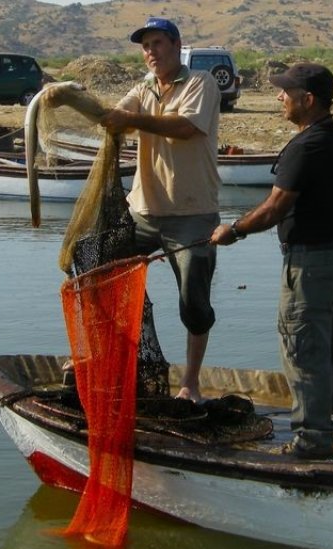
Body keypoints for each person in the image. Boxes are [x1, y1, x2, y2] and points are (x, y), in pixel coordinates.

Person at [209, 63, 333, 460]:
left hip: (310, 265)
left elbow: (274, 208)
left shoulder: (306, 146)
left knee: (303, 349)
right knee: (332, 346)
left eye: (286, 92)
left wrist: (233, 230)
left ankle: (312, 440)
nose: (279, 97)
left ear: (307, 101)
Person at [100, 17, 222, 403]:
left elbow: (185, 127)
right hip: (143, 214)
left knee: (193, 302)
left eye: (156, 43)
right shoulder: (142, 89)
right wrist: (68, 97)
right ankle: (100, 359)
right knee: (100, 273)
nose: (150, 52)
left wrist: (130, 119)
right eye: (145, 46)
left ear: (175, 44)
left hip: (192, 215)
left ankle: (190, 382)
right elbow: (114, 118)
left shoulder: (202, 83)